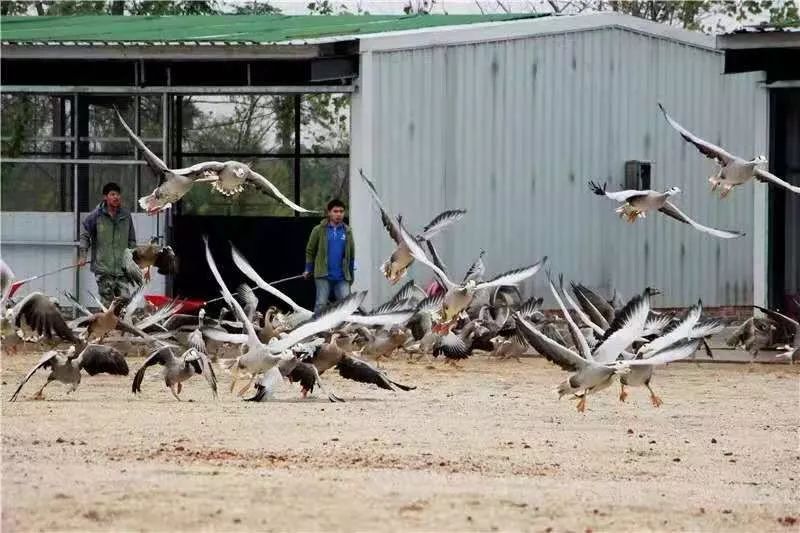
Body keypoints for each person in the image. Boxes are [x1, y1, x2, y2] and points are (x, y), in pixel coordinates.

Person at [78, 182, 137, 306]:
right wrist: (83, 256)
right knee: (107, 302)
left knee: (124, 299)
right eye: (112, 194)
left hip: (122, 269)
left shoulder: (126, 216)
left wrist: (134, 261)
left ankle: (116, 324)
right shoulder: (96, 216)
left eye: (118, 194)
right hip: (103, 269)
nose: (116, 197)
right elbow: (85, 235)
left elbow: (132, 240)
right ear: (105, 197)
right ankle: (106, 324)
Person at [303, 198, 355, 313]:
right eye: (335, 211)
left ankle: (345, 330)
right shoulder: (319, 230)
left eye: (341, 211)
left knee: (347, 305)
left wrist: (351, 275)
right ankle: (317, 330)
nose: (338, 214)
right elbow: (310, 251)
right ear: (329, 213)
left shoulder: (348, 232)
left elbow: (351, 255)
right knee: (321, 304)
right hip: (323, 275)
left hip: (342, 276)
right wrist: (308, 269)